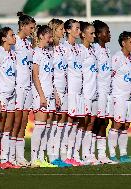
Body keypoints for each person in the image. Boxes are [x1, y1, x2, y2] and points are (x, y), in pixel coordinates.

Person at [108, 31, 131, 163]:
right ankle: (113, 154)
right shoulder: (116, 58)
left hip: (129, 97)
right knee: (117, 124)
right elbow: (109, 76)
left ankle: (124, 154)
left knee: (126, 125)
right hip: (118, 96)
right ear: (123, 43)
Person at [30, 25, 58, 168]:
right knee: (40, 126)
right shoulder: (36, 52)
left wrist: (55, 94)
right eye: (49, 36)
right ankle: (34, 159)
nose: (51, 39)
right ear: (41, 36)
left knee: (47, 127)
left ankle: (42, 157)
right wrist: (41, 95)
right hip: (40, 94)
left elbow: (51, 76)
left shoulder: (48, 53)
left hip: (50, 94)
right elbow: (35, 75)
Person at [12, 12, 36, 167]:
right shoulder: (14, 41)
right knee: (15, 121)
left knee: (23, 122)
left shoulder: (28, 43)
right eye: (31, 28)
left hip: (28, 86)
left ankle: (20, 157)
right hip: (17, 87)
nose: (33, 31)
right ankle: (10, 156)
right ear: (23, 26)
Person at [0, 27, 20, 169]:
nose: (14, 37)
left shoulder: (13, 54)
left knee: (8, 127)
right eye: (11, 35)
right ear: (4, 38)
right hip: (2, 94)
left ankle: (5, 159)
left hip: (12, 94)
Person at [47, 18, 71, 167]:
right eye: (61, 29)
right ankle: (52, 155)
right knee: (53, 123)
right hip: (54, 90)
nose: (63, 31)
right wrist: (54, 91)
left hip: (65, 89)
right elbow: (49, 73)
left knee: (63, 123)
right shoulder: (49, 49)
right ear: (54, 30)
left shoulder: (63, 47)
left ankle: (62, 156)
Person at [92, 20, 117, 164]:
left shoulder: (107, 50)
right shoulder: (94, 49)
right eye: (106, 32)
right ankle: (90, 153)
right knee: (97, 122)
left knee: (105, 122)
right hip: (98, 91)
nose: (109, 34)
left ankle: (102, 155)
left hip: (107, 91)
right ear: (99, 35)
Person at [62, 19, 84, 166]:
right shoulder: (63, 48)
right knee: (68, 122)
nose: (78, 31)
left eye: (79, 28)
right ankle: (64, 155)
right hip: (69, 91)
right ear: (68, 30)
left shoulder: (79, 48)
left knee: (76, 122)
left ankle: (73, 154)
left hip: (79, 91)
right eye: (76, 28)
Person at [78, 21, 99, 165]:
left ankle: (88, 154)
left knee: (91, 123)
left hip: (94, 92)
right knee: (82, 123)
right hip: (84, 92)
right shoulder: (79, 50)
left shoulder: (93, 50)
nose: (94, 35)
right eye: (91, 33)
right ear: (83, 34)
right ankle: (75, 154)